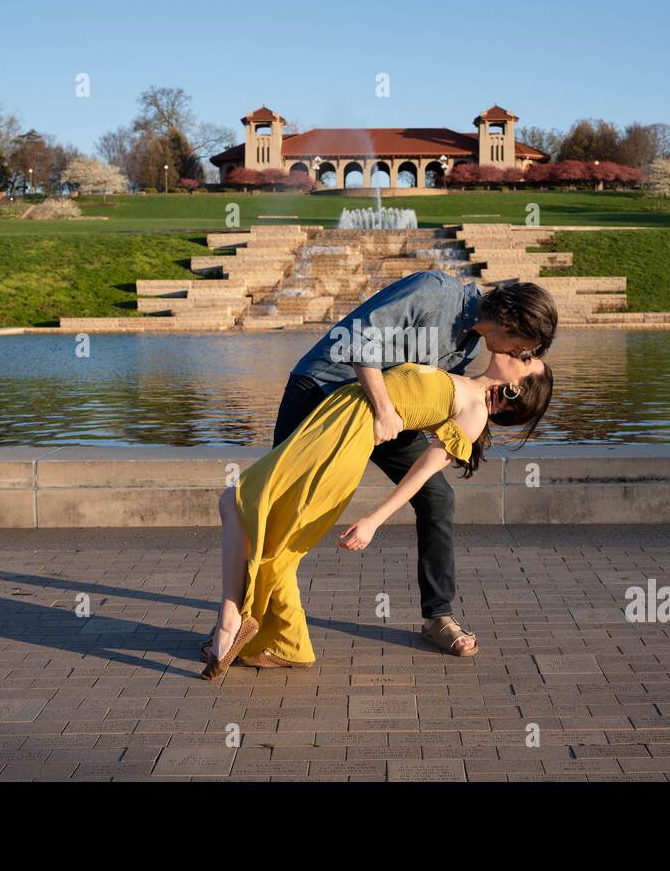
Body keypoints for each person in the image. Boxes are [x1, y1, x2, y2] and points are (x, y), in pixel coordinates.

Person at [202, 352, 553, 679]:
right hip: (333, 420)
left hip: (345, 437)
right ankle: (286, 642)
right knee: (262, 519)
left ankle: (232, 623)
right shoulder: (458, 373)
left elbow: (421, 474)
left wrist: (374, 519)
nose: (519, 351)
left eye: (526, 359)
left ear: (514, 389)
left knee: (243, 502)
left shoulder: (475, 412)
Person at [269, 270, 558, 659]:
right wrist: (385, 410)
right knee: (279, 506)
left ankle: (437, 616)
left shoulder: (468, 346)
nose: (519, 357)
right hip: (322, 392)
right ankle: (250, 618)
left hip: (382, 417)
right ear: (509, 325)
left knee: (436, 496)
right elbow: (359, 338)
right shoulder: (434, 292)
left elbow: (428, 397)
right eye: (523, 349)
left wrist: (460, 431)